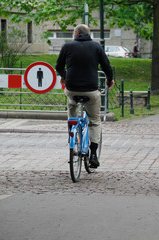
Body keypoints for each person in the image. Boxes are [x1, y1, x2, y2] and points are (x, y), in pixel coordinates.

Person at [56, 24, 114, 168]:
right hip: (90, 90)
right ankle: (93, 154)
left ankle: (72, 131)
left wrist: (65, 76)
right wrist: (109, 79)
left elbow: (58, 66)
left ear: (76, 33)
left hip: (72, 89)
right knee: (94, 121)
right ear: (89, 34)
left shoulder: (67, 46)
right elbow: (107, 66)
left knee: (71, 107)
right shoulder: (96, 47)